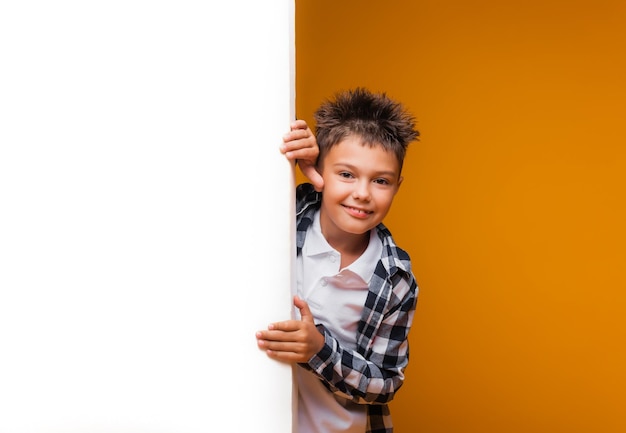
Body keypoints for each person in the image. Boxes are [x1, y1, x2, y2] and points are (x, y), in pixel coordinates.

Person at [256, 87, 419, 433]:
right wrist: (292, 163)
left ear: (397, 186)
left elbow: (386, 382)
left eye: (381, 181)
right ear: (319, 171)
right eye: (346, 174)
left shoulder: (395, 279)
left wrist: (319, 348)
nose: (362, 192)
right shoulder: (287, 216)